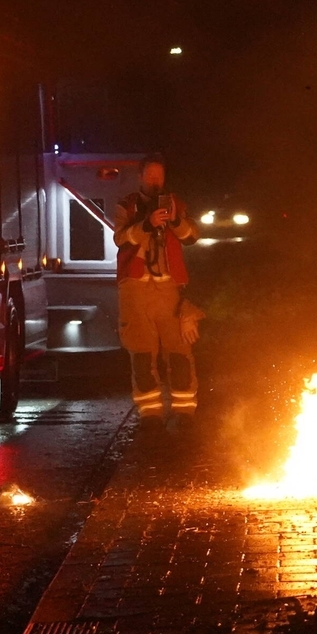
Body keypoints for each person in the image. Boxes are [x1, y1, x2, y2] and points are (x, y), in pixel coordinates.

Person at [113, 154, 201, 432]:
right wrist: (147, 224)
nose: (154, 180)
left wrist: (174, 220)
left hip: (169, 289)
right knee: (141, 355)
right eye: (149, 175)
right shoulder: (126, 206)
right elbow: (120, 239)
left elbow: (191, 237)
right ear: (140, 177)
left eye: (158, 175)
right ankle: (150, 416)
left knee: (179, 353)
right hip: (136, 289)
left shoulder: (176, 204)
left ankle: (184, 413)